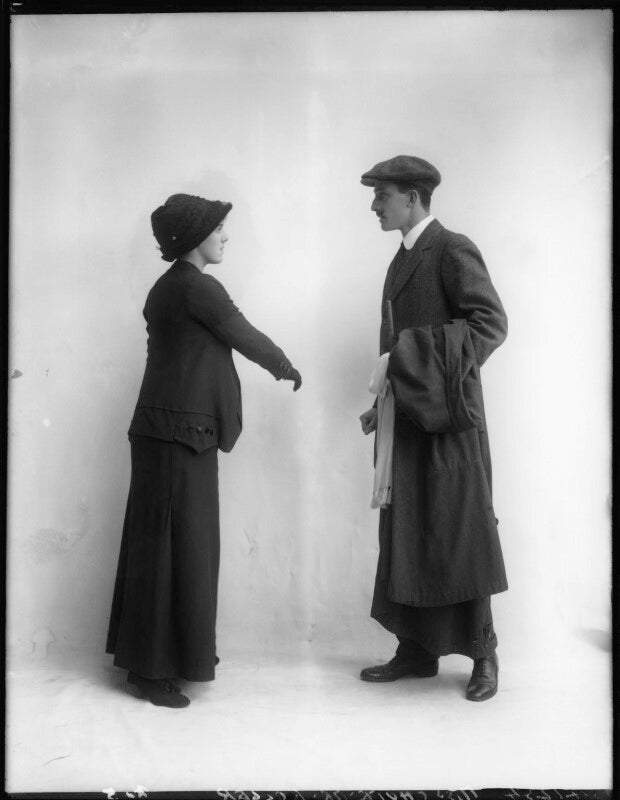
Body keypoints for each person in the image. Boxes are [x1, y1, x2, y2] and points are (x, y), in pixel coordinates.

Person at [106, 193, 302, 708]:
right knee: (177, 550)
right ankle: (151, 673)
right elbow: (241, 334)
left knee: (164, 549)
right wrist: (285, 366)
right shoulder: (198, 288)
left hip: (166, 432)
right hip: (178, 436)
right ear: (196, 237)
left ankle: (160, 660)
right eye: (219, 229)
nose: (225, 237)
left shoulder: (165, 287)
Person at [358, 155, 508, 702]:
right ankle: (416, 650)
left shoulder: (451, 247)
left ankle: (484, 655)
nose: (375, 205)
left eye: (383, 195)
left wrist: (421, 363)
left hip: (450, 423)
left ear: (415, 197)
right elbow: (391, 349)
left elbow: (490, 322)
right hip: (408, 422)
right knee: (408, 531)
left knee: (461, 532)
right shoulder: (399, 261)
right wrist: (385, 401)